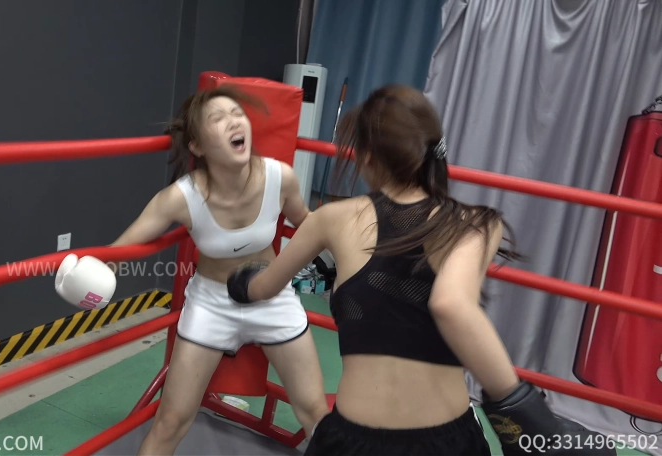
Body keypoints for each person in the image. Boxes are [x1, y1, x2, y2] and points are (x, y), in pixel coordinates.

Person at [226, 84, 617, 456]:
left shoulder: (332, 217)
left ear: (367, 157)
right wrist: (533, 422)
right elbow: (451, 303)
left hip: (352, 437)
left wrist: (240, 282)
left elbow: (262, 287)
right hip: (445, 439)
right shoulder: (476, 223)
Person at [103, 85, 329, 455]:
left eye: (238, 114)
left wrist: (347, 249)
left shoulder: (280, 178)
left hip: (272, 299)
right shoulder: (182, 197)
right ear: (197, 146)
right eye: (218, 119)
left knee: (316, 414)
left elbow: (310, 225)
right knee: (171, 422)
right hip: (211, 305)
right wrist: (84, 274)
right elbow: (121, 249)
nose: (234, 122)